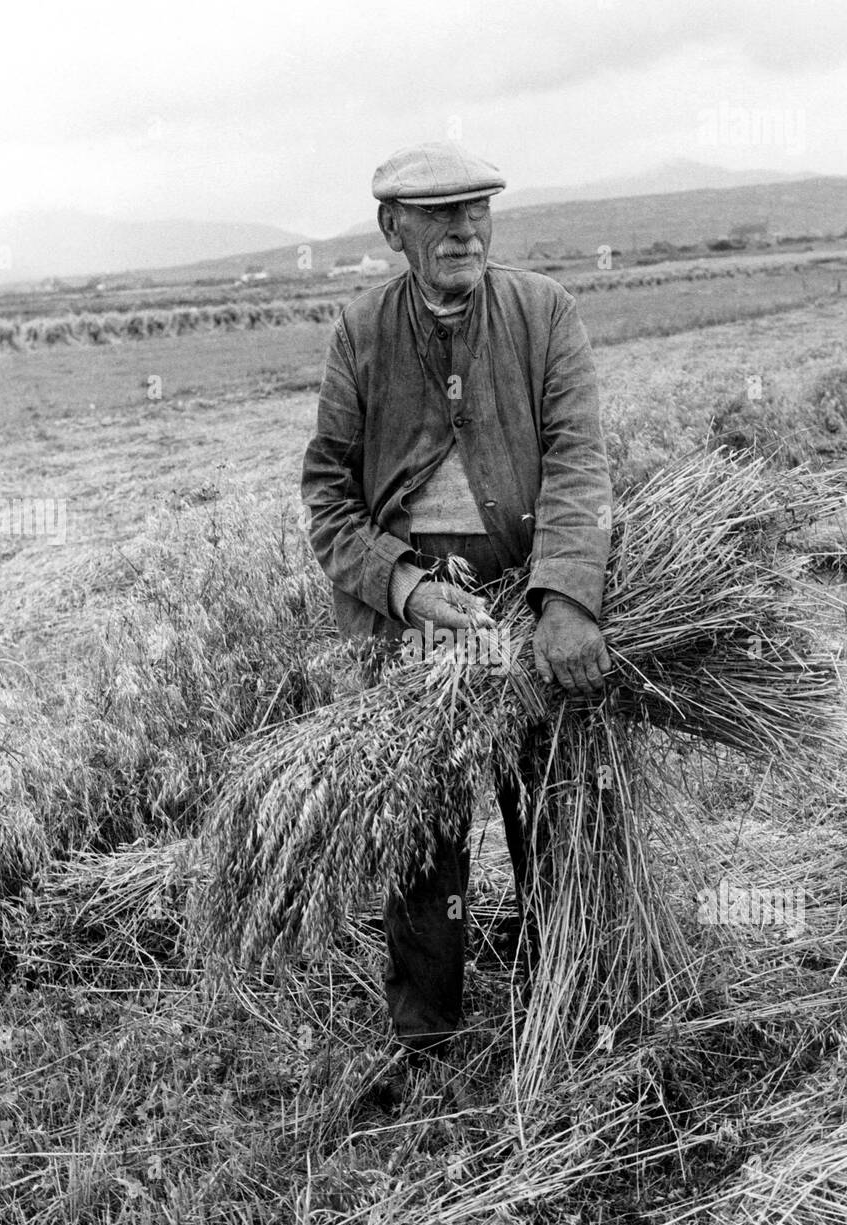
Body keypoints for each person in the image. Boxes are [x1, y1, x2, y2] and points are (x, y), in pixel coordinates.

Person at [302, 140, 612, 1053]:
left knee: (553, 807)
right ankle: (427, 1033)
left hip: (522, 608)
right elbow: (328, 494)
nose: (464, 227)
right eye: (439, 213)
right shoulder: (362, 333)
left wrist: (565, 601)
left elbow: (578, 463)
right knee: (421, 833)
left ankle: (568, 993)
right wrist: (402, 587)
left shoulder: (545, 312)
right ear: (393, 226)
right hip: (416, 632)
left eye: (477, 208)